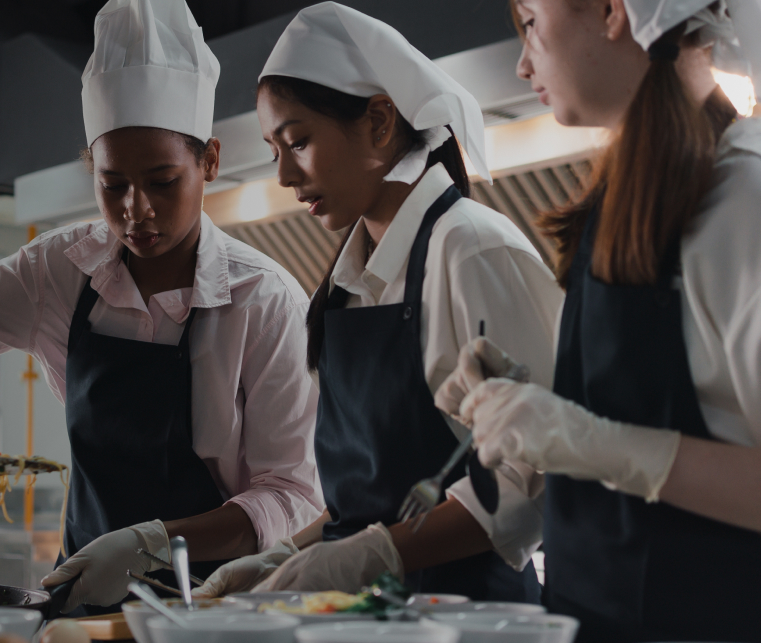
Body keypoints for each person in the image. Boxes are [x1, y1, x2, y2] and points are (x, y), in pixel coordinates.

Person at [447, 0, 761, 643]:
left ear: (610, 11)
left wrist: (597, 443)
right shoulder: (622, 216)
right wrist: (539, 411)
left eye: (529, 24)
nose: (520, 64)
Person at [0, 0, 323, 614]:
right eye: (112, 183)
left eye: (162, 181)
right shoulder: (58, 268)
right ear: (90, 168)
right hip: (82, 603)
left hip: (217, 613)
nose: (135, 211)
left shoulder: (265, 302)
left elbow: (290, 498)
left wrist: (152, 544)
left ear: (208, 160)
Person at [196, 2, 564, 602]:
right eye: (274, 151)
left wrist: (376, 555)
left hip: (465, 624)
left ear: (380, 121)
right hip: (363, 621)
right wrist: (289, 555)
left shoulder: (472, 251)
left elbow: (536, 481)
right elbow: (362, 505)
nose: (285, 175)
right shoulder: (344, 285)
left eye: (298, 142)